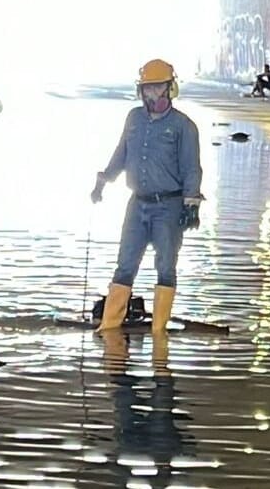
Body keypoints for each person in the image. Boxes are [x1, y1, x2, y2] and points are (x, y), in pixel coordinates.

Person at [90, 59, 202, 335]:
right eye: (147, 87)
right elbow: (122, 152)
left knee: (165, 267)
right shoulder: (134, 118)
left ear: (170, 88)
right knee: (125, 265)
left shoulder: (183, 127)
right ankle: (109, 327)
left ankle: (159, 331)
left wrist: (191, 205)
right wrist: (104, 180)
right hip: (137, 204)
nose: (150, 93)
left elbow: (191, 168)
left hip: (169, 206)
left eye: (157, 87)